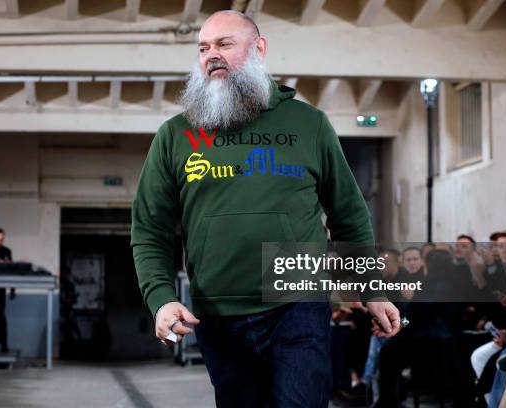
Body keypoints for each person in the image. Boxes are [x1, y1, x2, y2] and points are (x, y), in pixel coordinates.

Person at [130, 10, 401, 407]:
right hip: (219, 311)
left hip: (297, 303)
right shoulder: (176, 134)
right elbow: (149, 228)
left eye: (224, 44)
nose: (211, 55)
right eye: (203, 47)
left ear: (258, 49)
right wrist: (161, 298)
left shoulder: (309, 124)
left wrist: (371, 287)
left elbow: (348, 214)